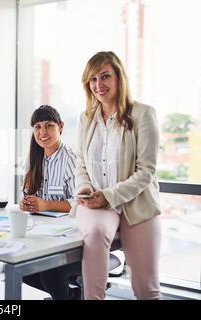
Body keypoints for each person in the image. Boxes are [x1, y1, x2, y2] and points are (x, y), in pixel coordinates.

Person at [72, 51, 161, 300]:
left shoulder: (143, 114)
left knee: (146, 289)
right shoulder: (85, 119)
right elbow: (81, 164)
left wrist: (109, 196)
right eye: (93, 79)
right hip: (96, 204)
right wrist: (85, 190)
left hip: (137, 203)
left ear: (119, 78)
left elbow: (146, 171)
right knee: (97, 234)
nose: (99, 85)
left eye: (105, 76)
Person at [19, 105, 81, 300]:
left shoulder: (71, 159)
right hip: (42, 236)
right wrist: (27, 203)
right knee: (23, 269)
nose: (42, 132)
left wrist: (45, 204)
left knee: (49, 272)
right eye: (37, 127)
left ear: (60, 127)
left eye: (48, 125)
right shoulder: (33, 159)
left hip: (70, 241)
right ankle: (72, 296)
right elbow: (31, 196)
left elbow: (79, 203)